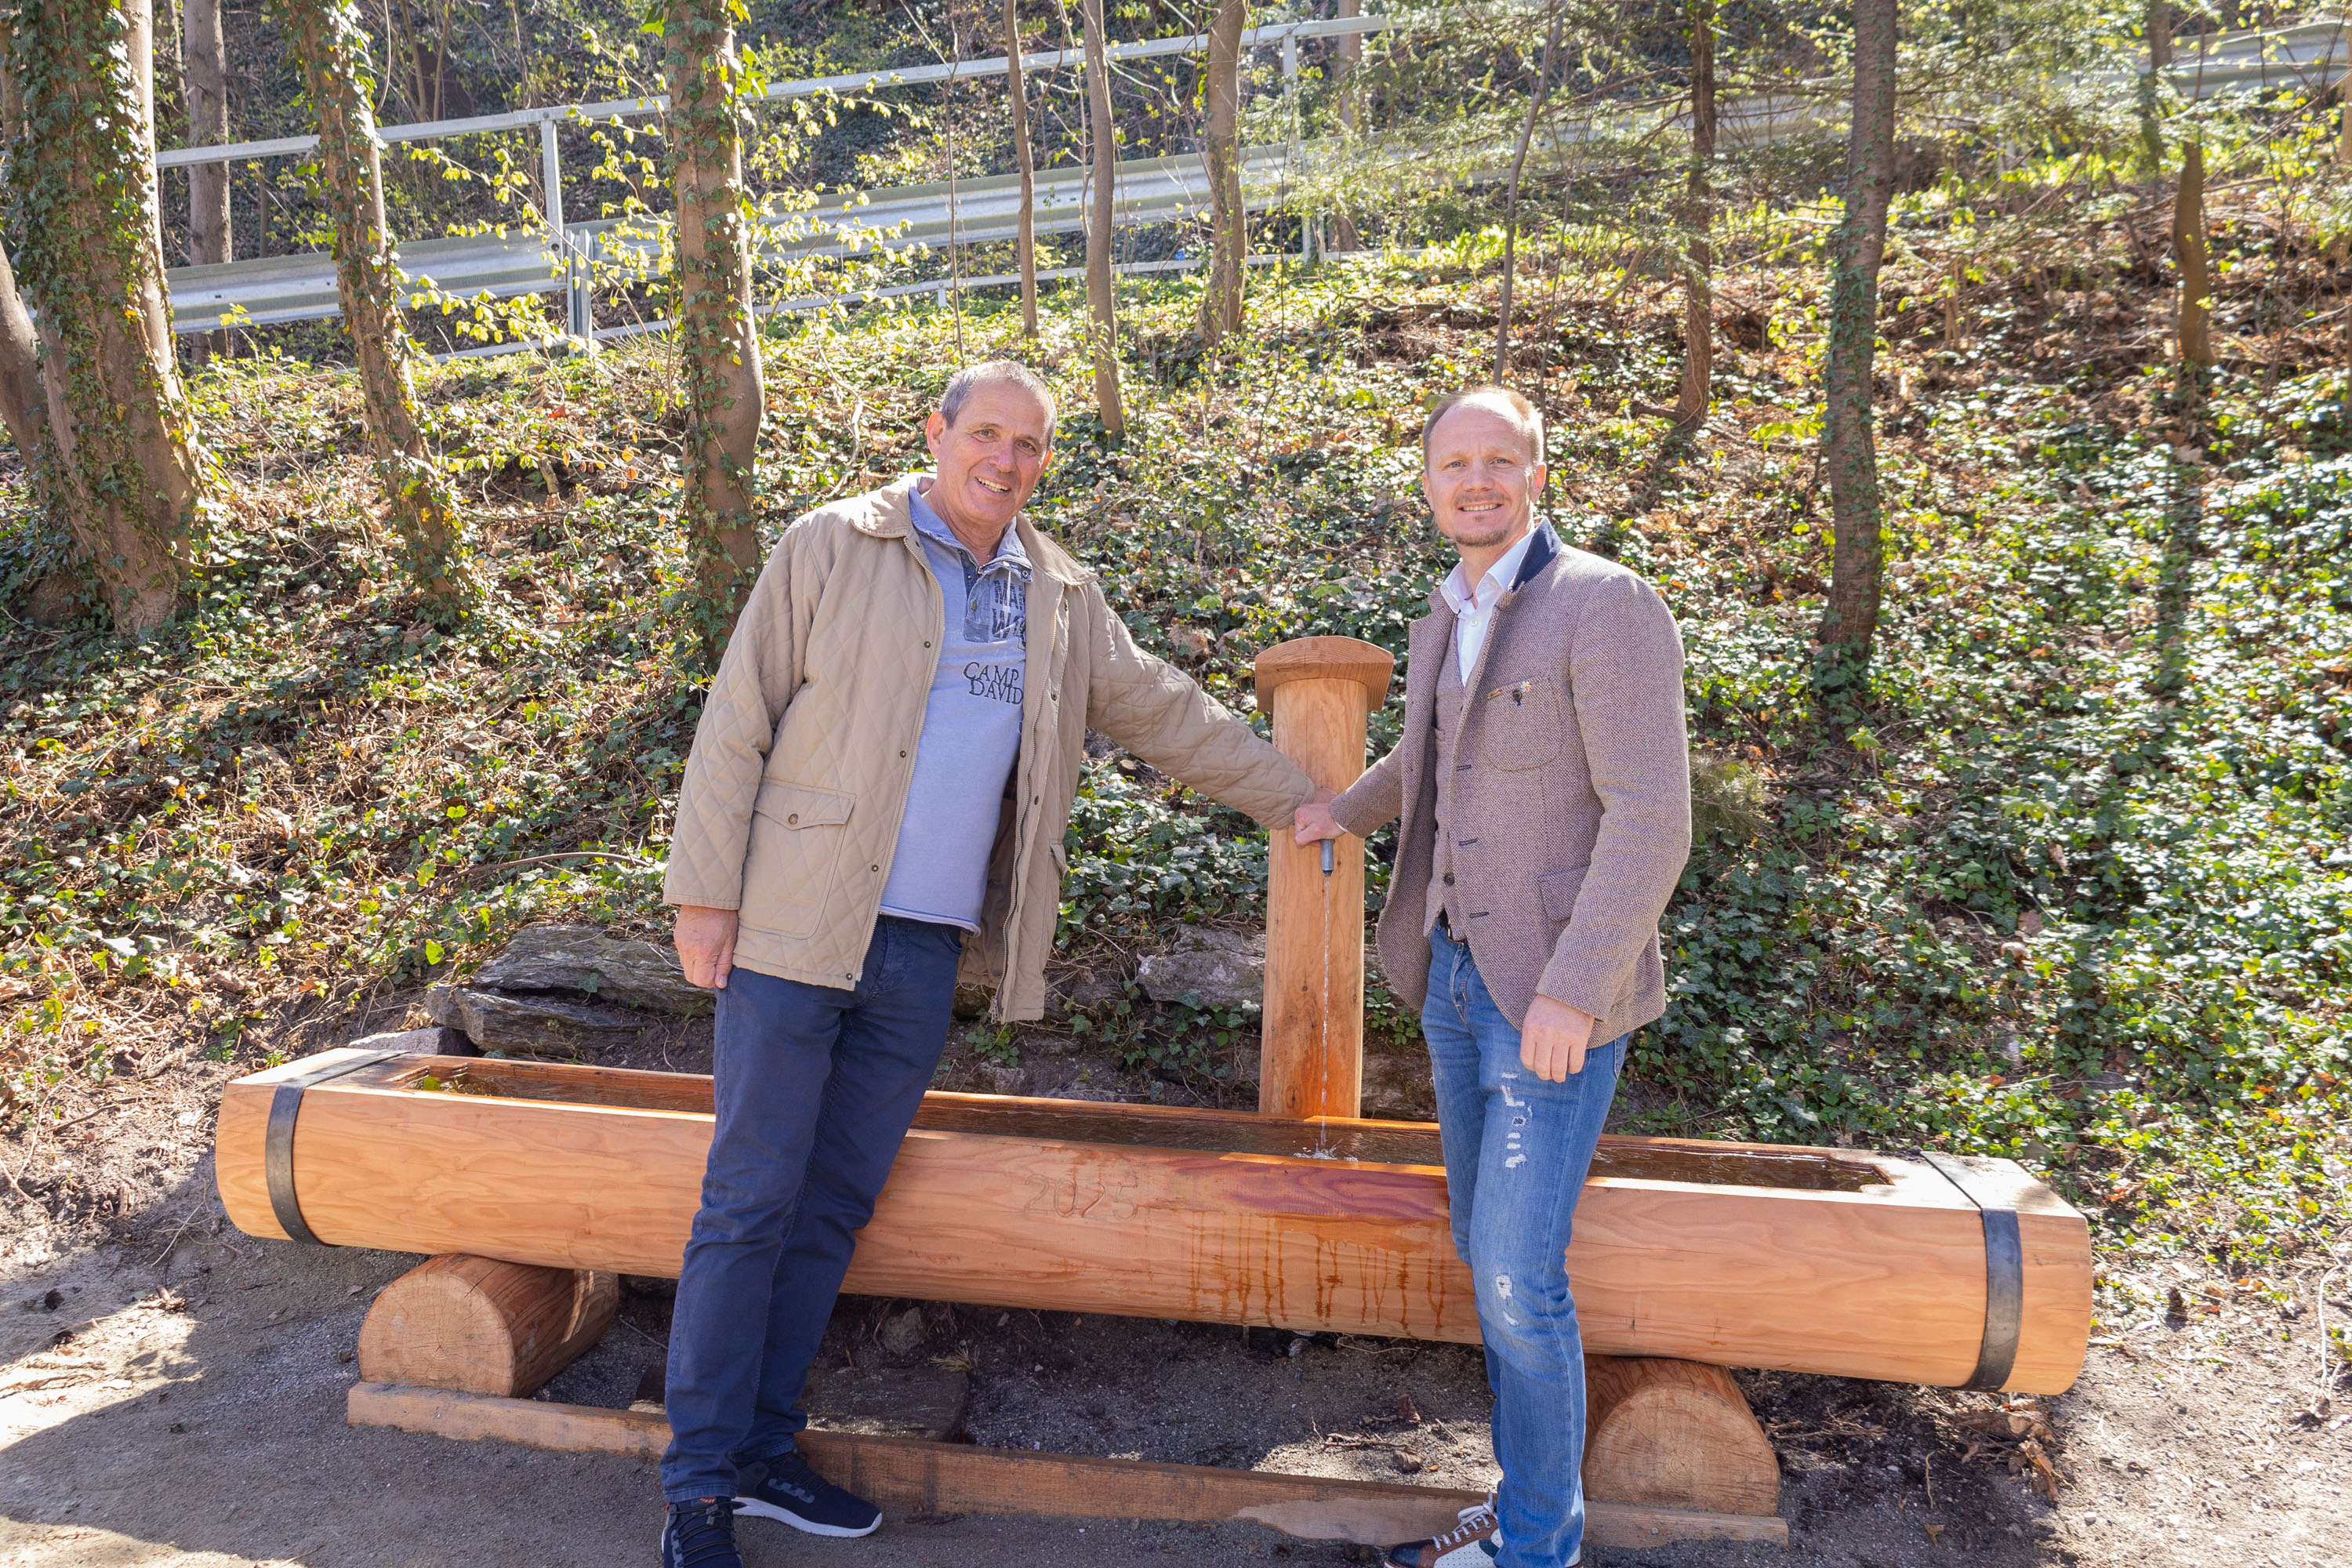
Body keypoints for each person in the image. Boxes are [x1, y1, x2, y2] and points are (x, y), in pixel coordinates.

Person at [653, 359, 1326, 1568]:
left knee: (834, 1206)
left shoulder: (1057, 589)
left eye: (1029, 445)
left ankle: (762, 1450)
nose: (1005, 460)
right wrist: (704, 897)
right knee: (749, 1201)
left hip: (922, 947)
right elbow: (737, 715)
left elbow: (1163, 710)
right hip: (793, 929)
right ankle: (698, 1483)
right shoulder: (833, 543)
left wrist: (1303, 800)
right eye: (987, 434)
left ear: (1045, 462)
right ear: (938, 432)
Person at [1294, 385, 1690, 1568]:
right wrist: (1336, 810)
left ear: (1537, 473)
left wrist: (1574, 989)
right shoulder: (1444, 612)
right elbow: (1430, 760)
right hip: (1454, 987)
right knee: (1487, 1253)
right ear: (1426, 483)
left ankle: (1537, 1549)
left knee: (1521, 1278)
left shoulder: (1604, 605)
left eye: (1498, 461)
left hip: (1553, 1003)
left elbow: (1653, 818)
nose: (1475, 480)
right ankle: (1524, 1511)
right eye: (1453, 462)